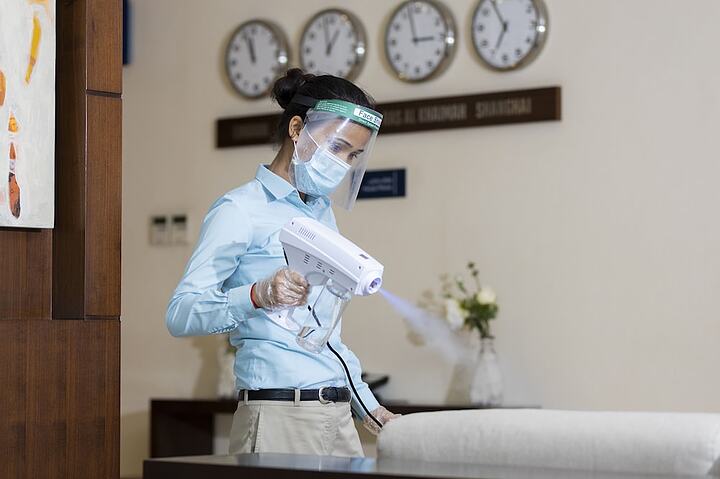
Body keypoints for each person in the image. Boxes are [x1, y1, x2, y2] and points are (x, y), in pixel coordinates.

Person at [166, 68, 399, 457]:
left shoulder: (321, 213)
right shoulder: (239, 209)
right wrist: (258, 294)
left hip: (338, 415)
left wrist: (368, 406)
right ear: (296, 128)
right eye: (338, 147)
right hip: (277, 416)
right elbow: (180, 314)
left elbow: (325, 331)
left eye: (353, 155)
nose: (343, 163)